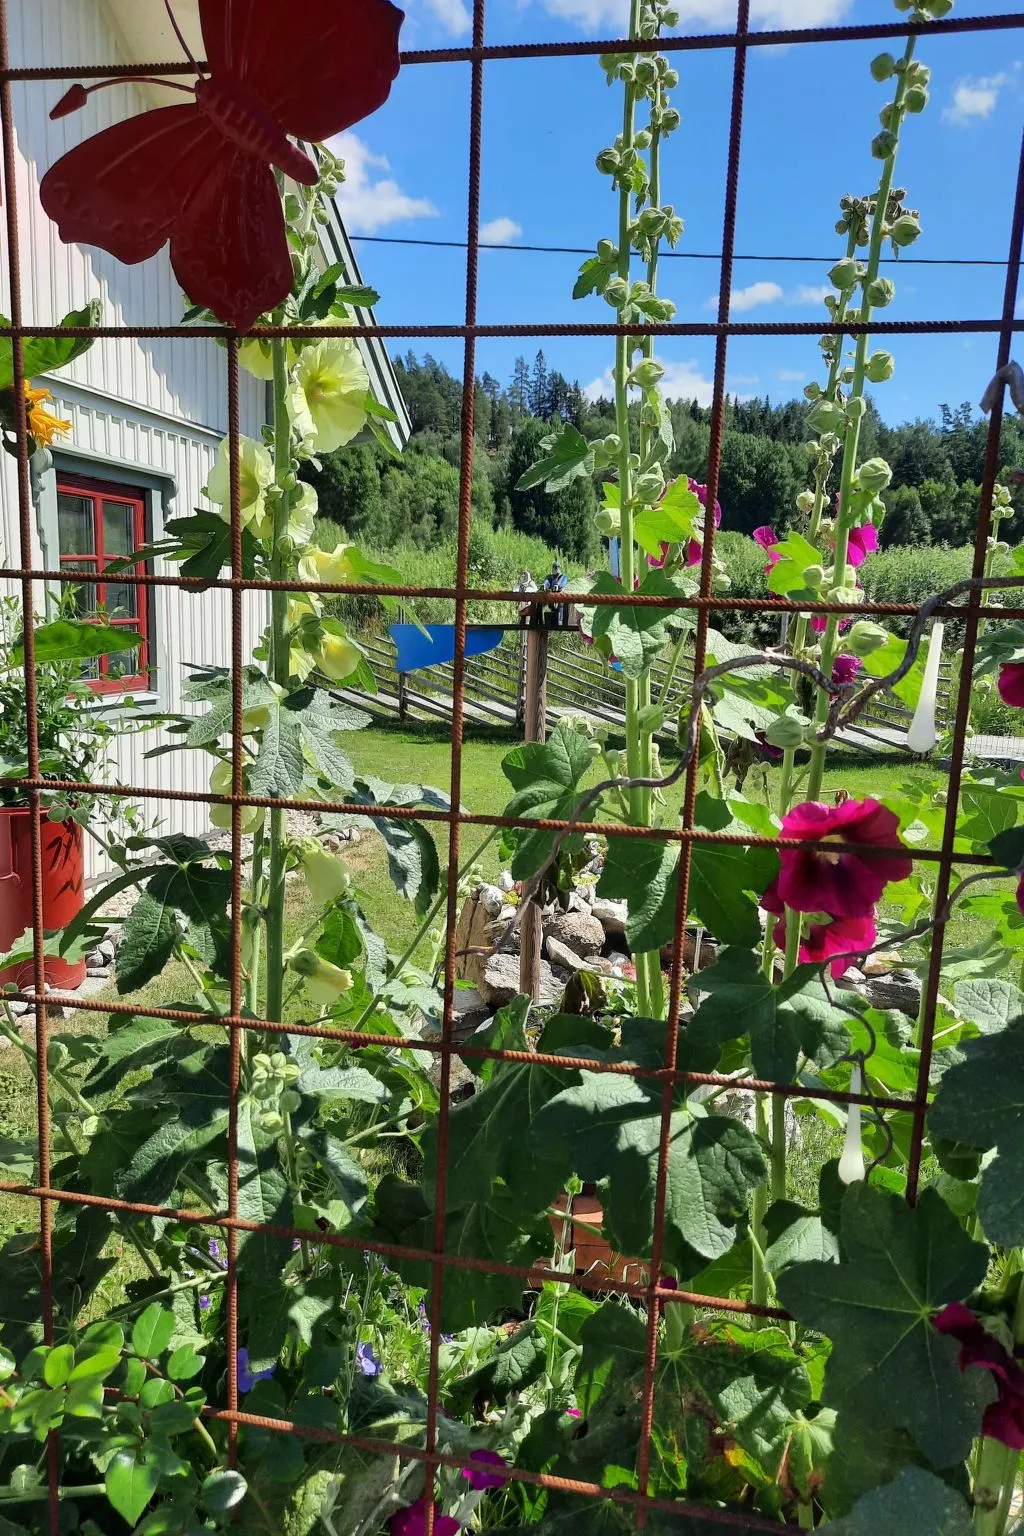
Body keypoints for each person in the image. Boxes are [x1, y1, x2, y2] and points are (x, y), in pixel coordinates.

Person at [542, 560, 568, 628]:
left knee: (560, 608)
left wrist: (558, 586)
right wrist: (544, 586)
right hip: (551, 597)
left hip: (560, 597)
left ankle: (560, 621)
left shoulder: (563, 577)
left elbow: (563, 584)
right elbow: (546, 582)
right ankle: (543, 621)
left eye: (557, 567)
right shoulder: (550, 577)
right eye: (554, 567)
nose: (556, 568)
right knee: (549, 609)